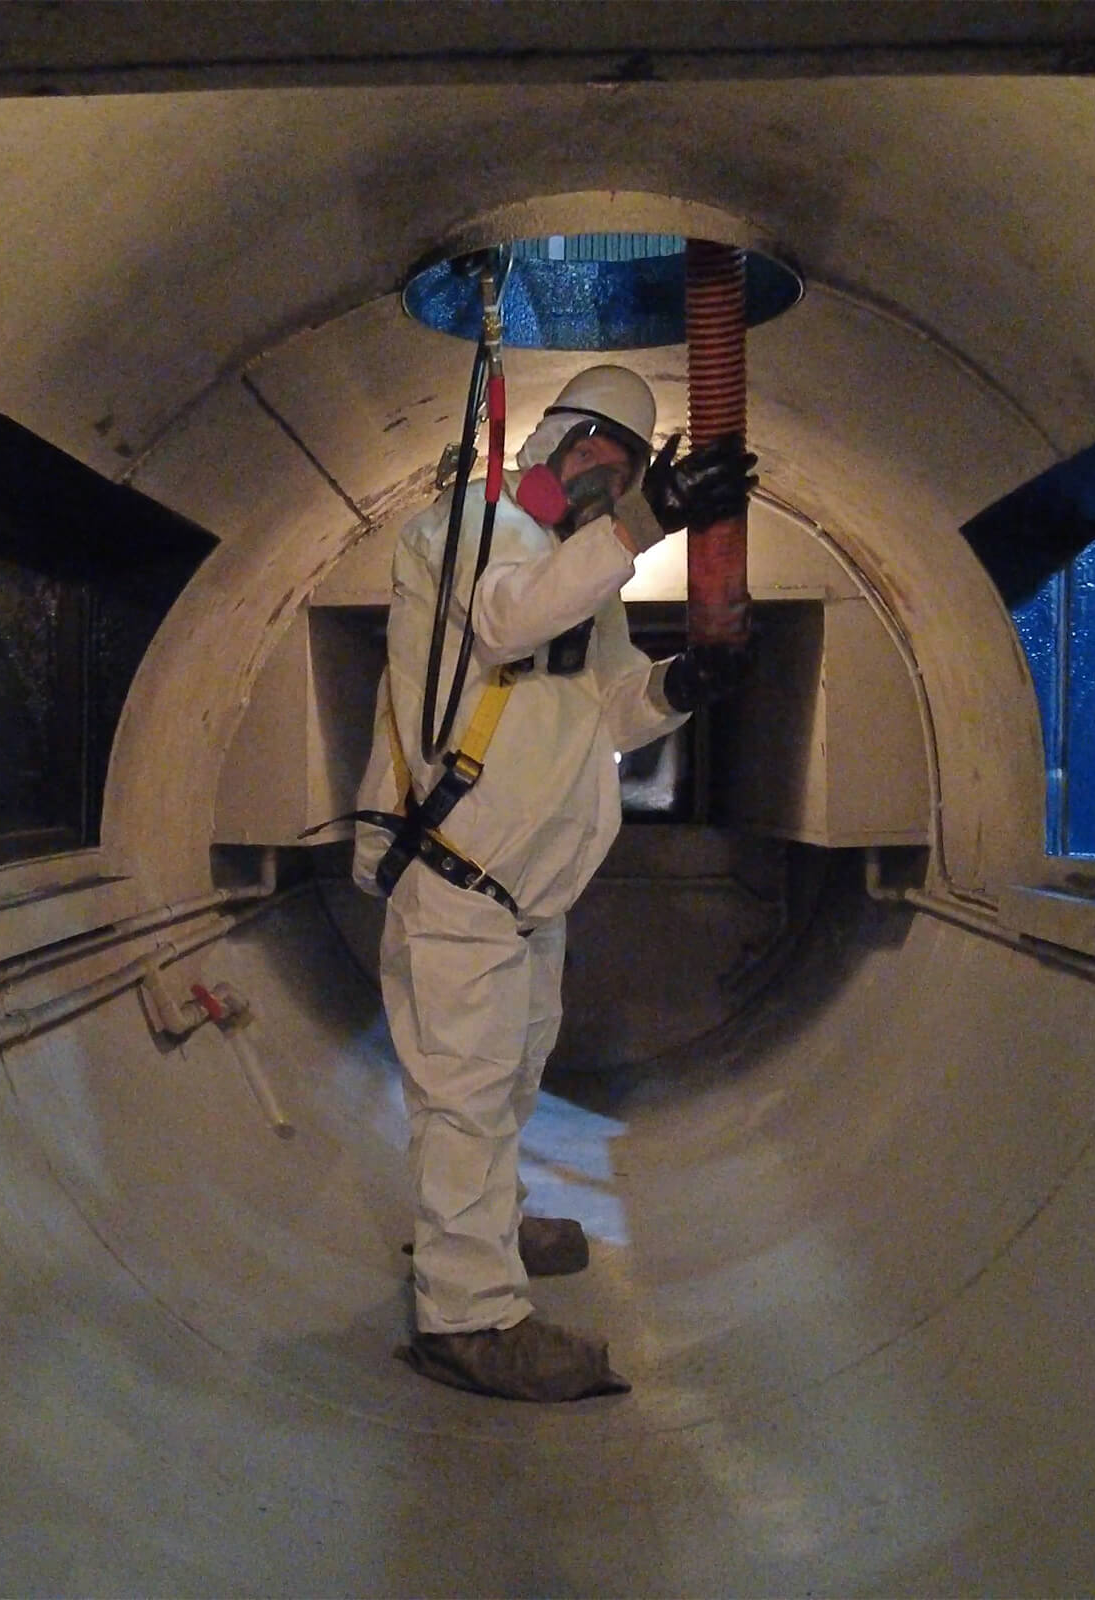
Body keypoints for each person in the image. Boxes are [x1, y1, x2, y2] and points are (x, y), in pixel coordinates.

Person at [353, 365, 755, 1401]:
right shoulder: (468, 528)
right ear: (552, 442)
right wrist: (644, 522)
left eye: (623, 473)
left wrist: (679, 686)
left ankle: (482, 1230)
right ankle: (468, 1318)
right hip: (454, 880)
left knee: (509, 1080)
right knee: (467, 1098)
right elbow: (506, 620)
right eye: (595, 460)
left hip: (526, 891)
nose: (604, 483)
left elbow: (606, 710)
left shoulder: (585, 567)